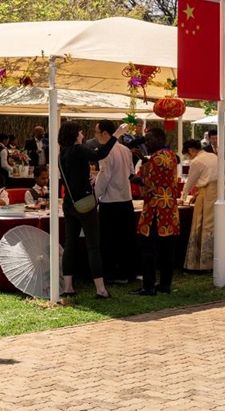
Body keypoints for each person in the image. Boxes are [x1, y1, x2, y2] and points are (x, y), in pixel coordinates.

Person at [58, 120, 126, 299]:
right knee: (93, 246)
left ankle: (68, 287)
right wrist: (116, 135)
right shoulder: (78, 150)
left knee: (70, 245)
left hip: (69, 204)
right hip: (85, 204)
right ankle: (100, 289)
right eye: (80, 132)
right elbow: (101, 154)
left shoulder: (62, 154)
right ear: (75, 135)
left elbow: (72, 177)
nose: (83, 135)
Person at [131, 128, 180, 295]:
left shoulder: (158, 158)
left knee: (148, 247)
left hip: (156, 210)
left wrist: (135, 178)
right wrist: (144, 160)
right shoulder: (170, 155)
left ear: (159, 139)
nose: (147, 142)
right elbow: (161, 173)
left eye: (149, 139)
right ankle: (165, 284)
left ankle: (149, 286)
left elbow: (151, 182)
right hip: (169, 209)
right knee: (167, 249)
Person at [180, 139, 225, 271]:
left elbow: (190, 182)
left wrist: (183, 196)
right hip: (220, 192)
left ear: (191, 151)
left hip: (209, 194)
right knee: (220, 223)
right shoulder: (213, 156)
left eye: (188, 155)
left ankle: (207, 263)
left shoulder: (197, 161)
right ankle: (223, 259)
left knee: (207, 224)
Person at [94, 120, 137, 285]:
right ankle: (129, 272)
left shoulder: (105, 152)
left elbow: (104, 178)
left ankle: (113, 274)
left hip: (110, 201)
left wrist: (96, 196)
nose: (96, 136)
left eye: (97, 132)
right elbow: (131, 173)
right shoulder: (126, 150)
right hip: (126, 199)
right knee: (126, 239)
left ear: (105, 133)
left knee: (110, 240)